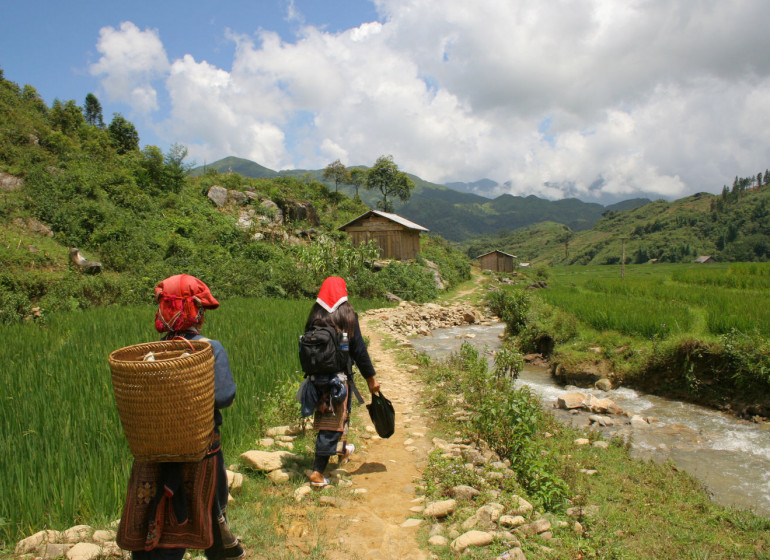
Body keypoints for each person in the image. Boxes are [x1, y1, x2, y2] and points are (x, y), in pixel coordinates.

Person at [117, 274, 244, 560]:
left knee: (156, 509)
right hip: (200, 451)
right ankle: (222, 550)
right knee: (211, 507)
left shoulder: (152, 352)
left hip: (155, 451)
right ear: (195, 311)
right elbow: (224, 397)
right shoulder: (209, 348)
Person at [305, 276, 381, 487]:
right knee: (330, 424)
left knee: (335, 416)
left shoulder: (315, 314)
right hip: (338, 379)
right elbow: (358, 350)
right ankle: (317, 472)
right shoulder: (348, 315)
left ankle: (342, 451)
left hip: (316, 378)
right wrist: (371, 379)